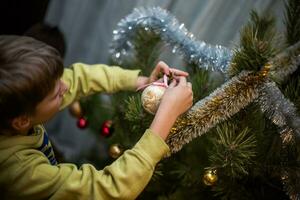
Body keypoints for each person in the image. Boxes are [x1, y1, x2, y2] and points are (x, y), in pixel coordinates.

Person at [0, 35, 193, 200]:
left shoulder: (17, 109)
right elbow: (105, 189)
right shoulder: (20, 172)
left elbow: (80, 78)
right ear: (21, 121)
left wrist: (141, 82)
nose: (65, 87)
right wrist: (165, 118)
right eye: (56, 94)